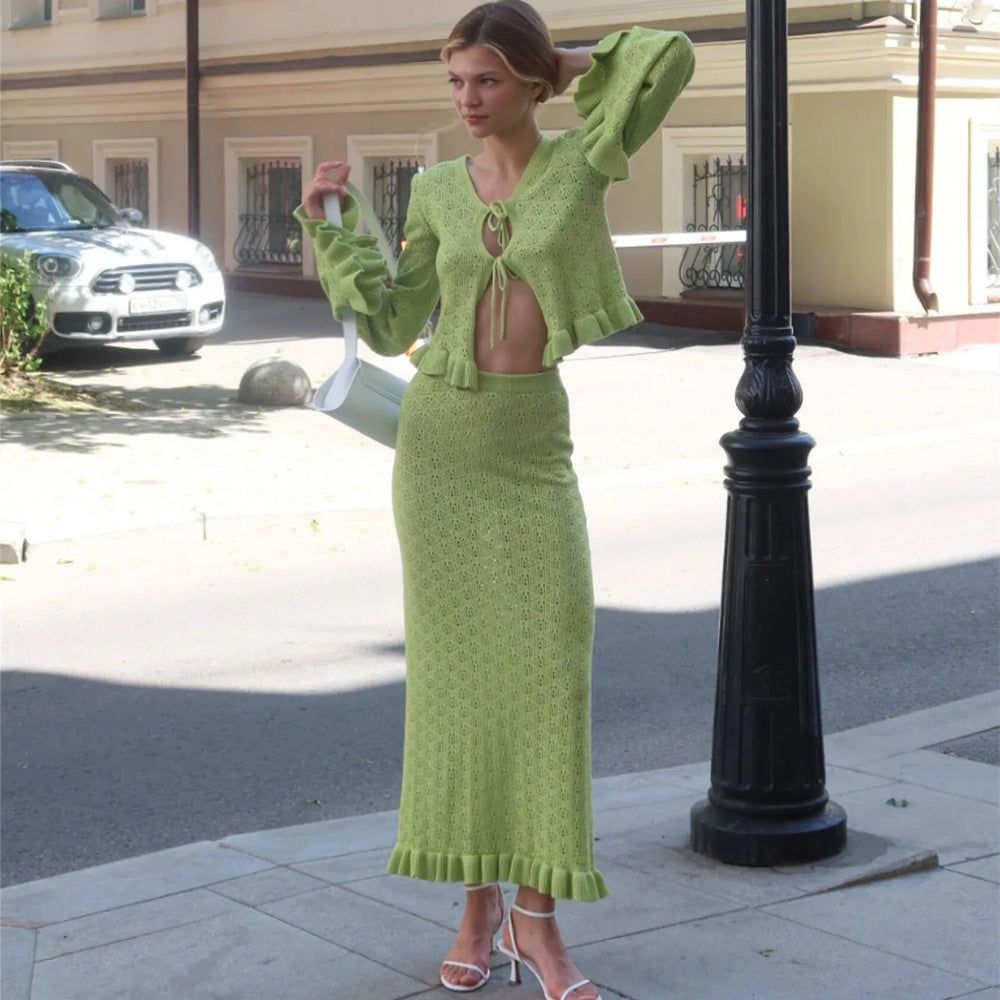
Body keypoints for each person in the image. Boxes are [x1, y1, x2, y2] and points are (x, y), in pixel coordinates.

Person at [297, 4, 694, 997]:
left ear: (525, 82)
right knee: (458, 690)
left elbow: (665, 58)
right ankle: (477, 908)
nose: (467, 101)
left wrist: (561, 59)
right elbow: (392, 325)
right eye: (455, 83)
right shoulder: (434, 187)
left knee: (549, 681)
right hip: (436, 453)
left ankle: (537, 922)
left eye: (485, 80)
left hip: (528, 452)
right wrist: (334, 230)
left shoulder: (583, 162)